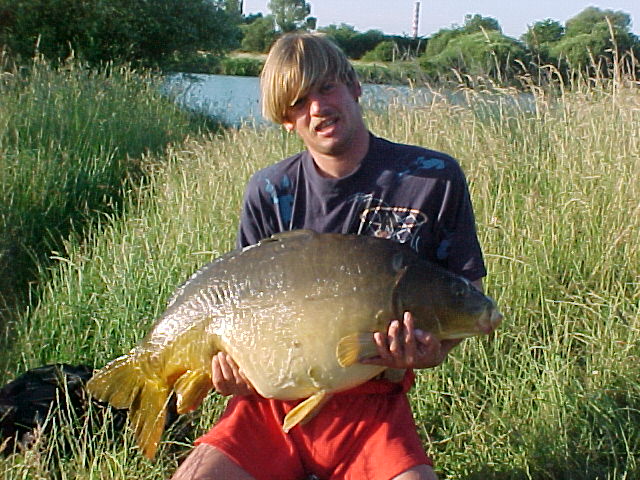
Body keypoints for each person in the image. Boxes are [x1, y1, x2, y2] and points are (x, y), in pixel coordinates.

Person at [172, 32, 486, 480]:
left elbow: (466, 295)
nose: (317, 108)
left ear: (354, 86)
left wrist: (432, 352)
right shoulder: (269, 191)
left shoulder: (432, 178)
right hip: (268, 407)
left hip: (373, 409)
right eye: (299, 101)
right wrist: (233, 371)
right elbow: (241, 308)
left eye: (326, 87)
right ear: (286, 120)